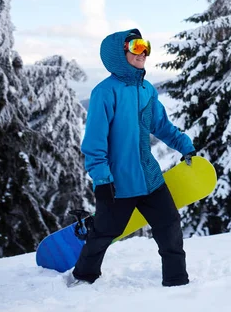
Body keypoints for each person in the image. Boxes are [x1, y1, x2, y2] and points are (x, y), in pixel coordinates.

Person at [71, 28, 196, 287]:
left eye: (145, 47)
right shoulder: (105, 92)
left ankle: (177, 282)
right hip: (119, 182)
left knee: (170, 225)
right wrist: (102, 180)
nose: (143, 53)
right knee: (106, 232)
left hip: (149, 176)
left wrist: (185, 146)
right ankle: (83, 277)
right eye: (136, 46)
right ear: (121, 52)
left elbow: (161, 125)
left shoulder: (147, 90)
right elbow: (94, 143)